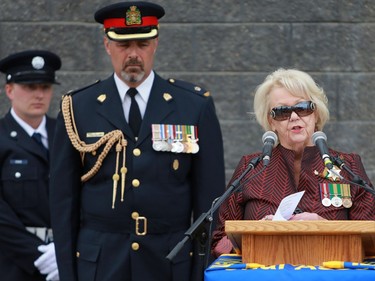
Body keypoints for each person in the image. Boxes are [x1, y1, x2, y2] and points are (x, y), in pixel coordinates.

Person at [49, 2, 225, 281]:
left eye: (142, 43)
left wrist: (200, 271)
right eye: (123, 44)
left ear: (155, 43)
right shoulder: (78, 108)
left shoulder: (192, 105)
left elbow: (209, 203)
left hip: (169, 262)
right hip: (100, 264)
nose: (133, 54)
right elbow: (63, 203)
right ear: (107, 45)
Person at [211, 68, 375, 257]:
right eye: (282, 111)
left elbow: (370, 239)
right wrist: (255, 233)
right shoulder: (251, 167)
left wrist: (327, 227)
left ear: (316, 114)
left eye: (303, 107)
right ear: (271, 121)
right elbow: (218, 242)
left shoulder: (348, 166)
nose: (294, 117)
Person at [0, 50, 61, 280]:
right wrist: (37, 254)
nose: (39, 95)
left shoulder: (67, 136)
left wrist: (64, 249)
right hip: (14, 264)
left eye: (45, 87)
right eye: (29, 87)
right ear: (9, 90)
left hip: (64, 259)